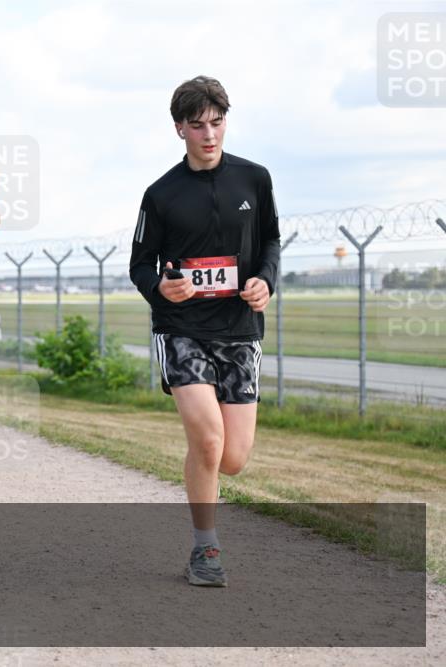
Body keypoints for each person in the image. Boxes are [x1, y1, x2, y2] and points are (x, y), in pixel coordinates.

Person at [129, 76, 280, 587]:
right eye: (198, 126)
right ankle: (205, 549)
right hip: (181, 329)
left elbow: (271, 243)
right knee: (209, 436)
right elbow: (140, 265)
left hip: (240, 329)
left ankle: (202, 467)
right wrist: (160, 289)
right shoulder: (161, 193)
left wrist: (266, 281)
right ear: (180, 129)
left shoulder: (255, 180)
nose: (209, 135)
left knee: (230, 459)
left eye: (217, 124)